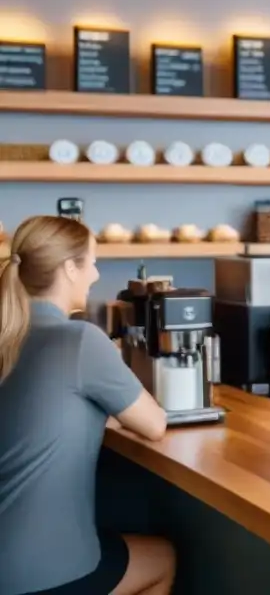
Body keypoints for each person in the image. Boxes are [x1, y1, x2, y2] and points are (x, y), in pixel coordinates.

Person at [0, 216, 176, 595]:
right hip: (43, 574)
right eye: (93, 262)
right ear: (69, 268)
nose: (96, 275)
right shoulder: (79, 339)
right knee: (162, 559)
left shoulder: (8, 339)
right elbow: (154, 424)